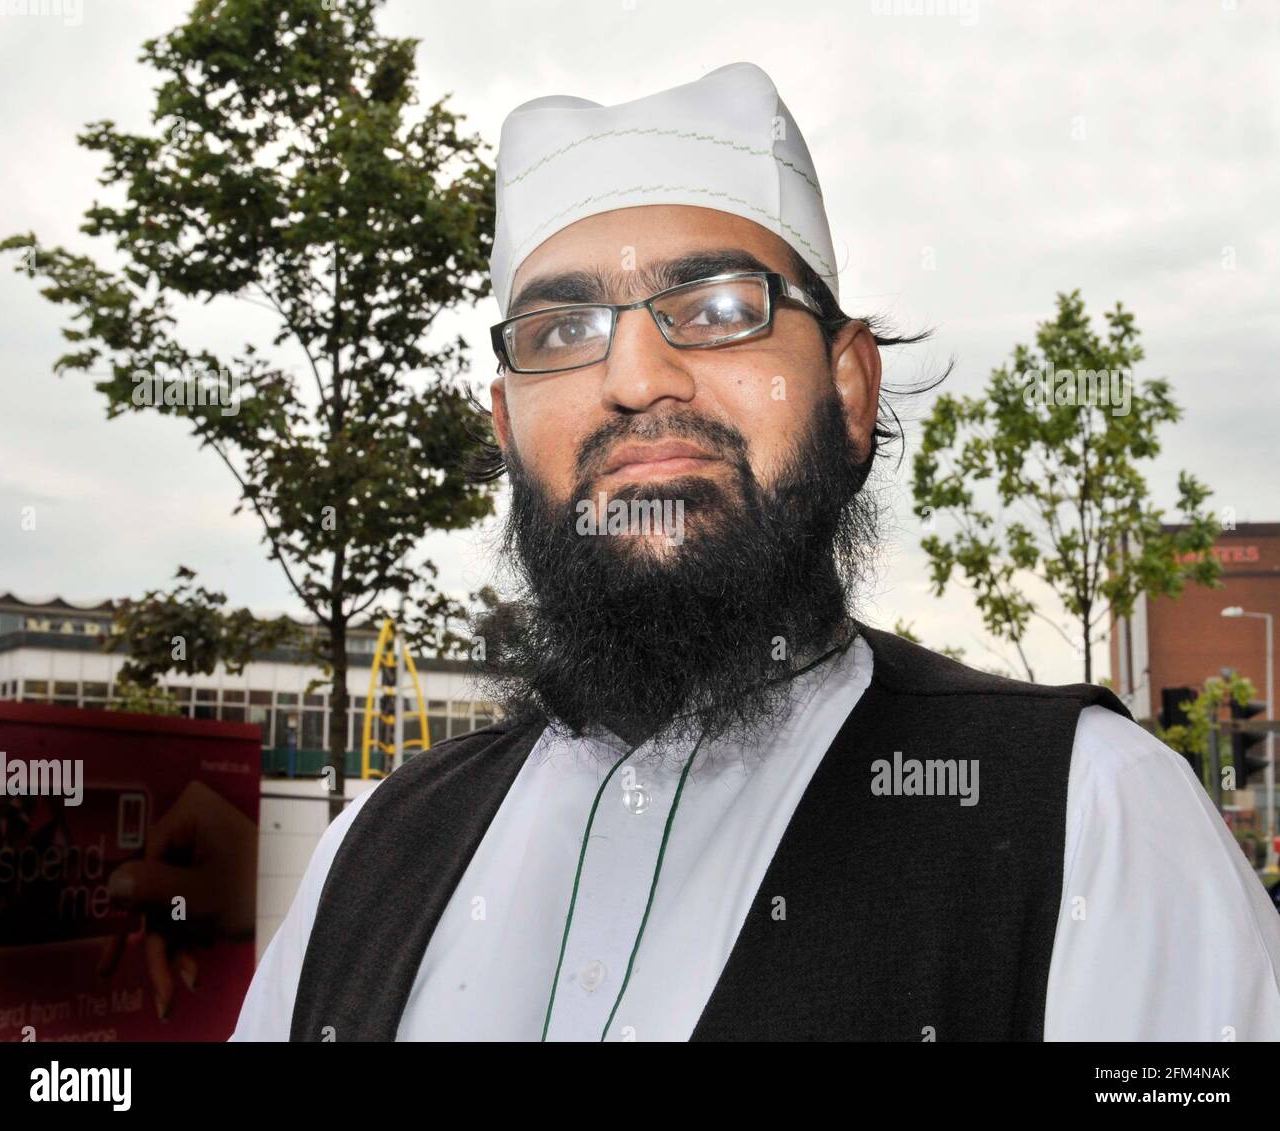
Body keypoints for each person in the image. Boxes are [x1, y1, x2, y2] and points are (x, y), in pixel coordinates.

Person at [231, 62, 1280, 1042]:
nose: (637, 377)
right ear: (506, 428)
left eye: (721, 310)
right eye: (560, 331)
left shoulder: (1090, 816)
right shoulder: (366, 855)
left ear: (849, 388)